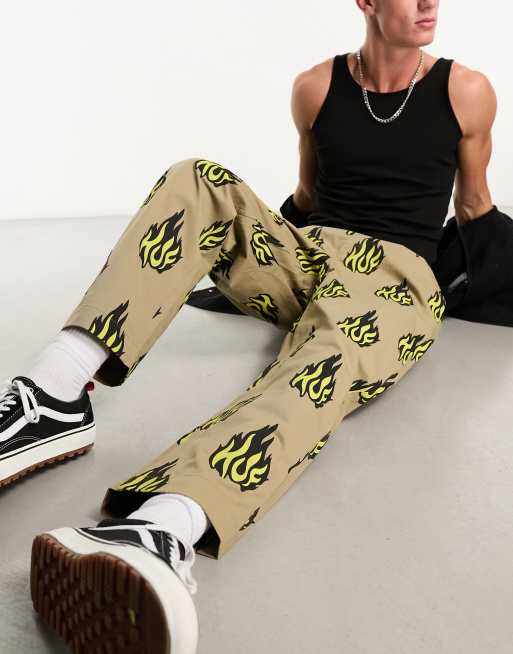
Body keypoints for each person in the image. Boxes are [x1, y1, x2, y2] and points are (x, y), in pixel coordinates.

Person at [0, 1, 497, 652]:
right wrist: (243, 246)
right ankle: (51, 396)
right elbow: (307, 199)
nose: (430, 2)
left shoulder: (465, 89)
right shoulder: (315, 87)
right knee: (197, 178)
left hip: (395, 277)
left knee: (320, 361)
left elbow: (474, 205)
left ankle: (162, 528)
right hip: (310, 254)